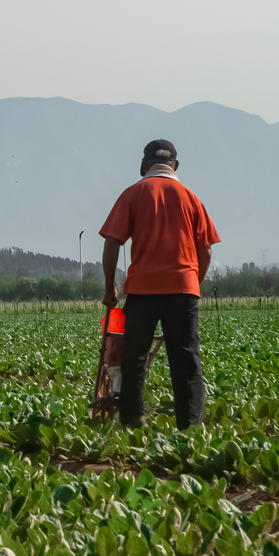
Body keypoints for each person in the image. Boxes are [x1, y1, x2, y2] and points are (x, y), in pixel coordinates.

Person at [99, 139, 221, 430]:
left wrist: (109, 288)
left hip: (142, 290)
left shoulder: (133, 193)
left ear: (144, 166)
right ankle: (190, 427)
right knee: (186, 360)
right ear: (175, 166)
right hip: (183, 289)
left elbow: (112, 242)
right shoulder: (191, 197)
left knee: (133, 356)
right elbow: (205, 250)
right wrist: (193, 281)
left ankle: (133, 420)